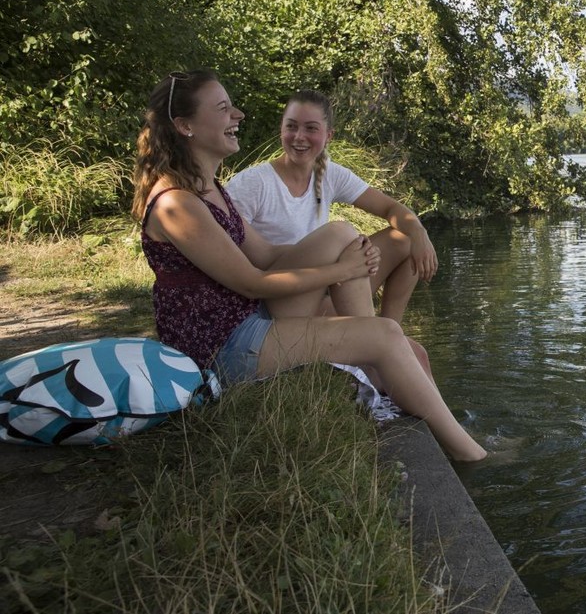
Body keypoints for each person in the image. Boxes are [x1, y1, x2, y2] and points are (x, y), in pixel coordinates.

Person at [132, 70, 485, 462]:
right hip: (222, 348)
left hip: (249, 321)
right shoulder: (176, 204)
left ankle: (378, 372)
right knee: (386, 335)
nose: (238, 114)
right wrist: (341, 271)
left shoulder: (208, 189)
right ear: (185, 126)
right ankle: (470, 455)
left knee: (341, 233)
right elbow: (251, 282)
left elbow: (268, 255)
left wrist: (346, 253)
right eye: (223, 108)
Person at [226, 90, 434, 325]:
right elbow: (234, 262)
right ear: (281, 129)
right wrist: (344, 258)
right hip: (279, 302)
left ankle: (391, 329)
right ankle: (377, 341)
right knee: (341, 234)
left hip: (323, 290)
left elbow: (391, 208)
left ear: (328, 136)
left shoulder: (328, 173)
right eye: (291, 126)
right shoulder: (252, 184)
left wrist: (419, 233)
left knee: (405, 239)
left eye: (311, 129)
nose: (299, 137)